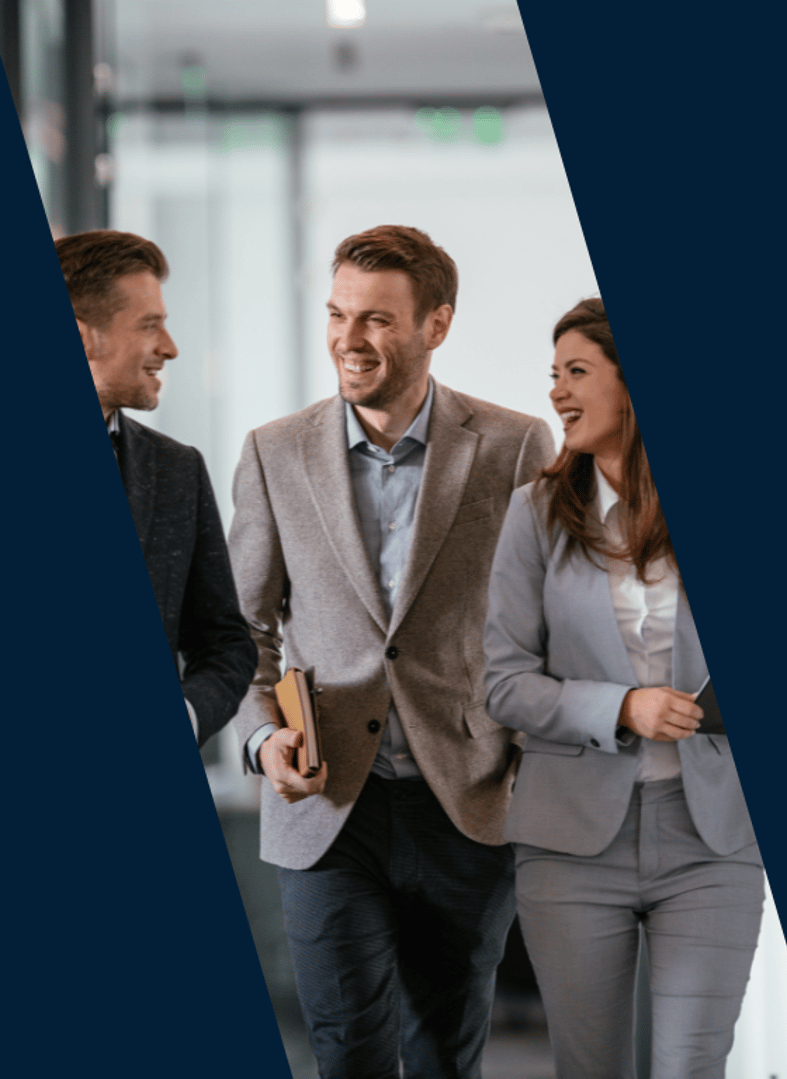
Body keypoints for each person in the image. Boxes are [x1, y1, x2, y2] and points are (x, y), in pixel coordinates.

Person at [227, 224, 553, 1076]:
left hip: (468, 801)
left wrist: (525, 760)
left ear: (436, 324)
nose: (348, 338)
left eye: (375, 318)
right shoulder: (274, 452)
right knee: (348, 1051)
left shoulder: (515, 448)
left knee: (447, 1051)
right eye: (337, 314)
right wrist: (266, 741)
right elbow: (243, 629)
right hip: (329, 807)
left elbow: (546, 622)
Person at [484, 298, 760, 1078]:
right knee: (591, 1066)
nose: (558, 393)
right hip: (571, 841)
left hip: (715, 835)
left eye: (578, 372)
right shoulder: (533, 516)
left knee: (691, 1063)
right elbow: (503, 682)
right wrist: (622, 707)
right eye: (554, 374)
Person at [55, 229, 255, 745]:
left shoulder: (176, 470)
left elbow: (226, 645)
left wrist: (186, 715)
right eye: (150, 326)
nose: (170, 348)